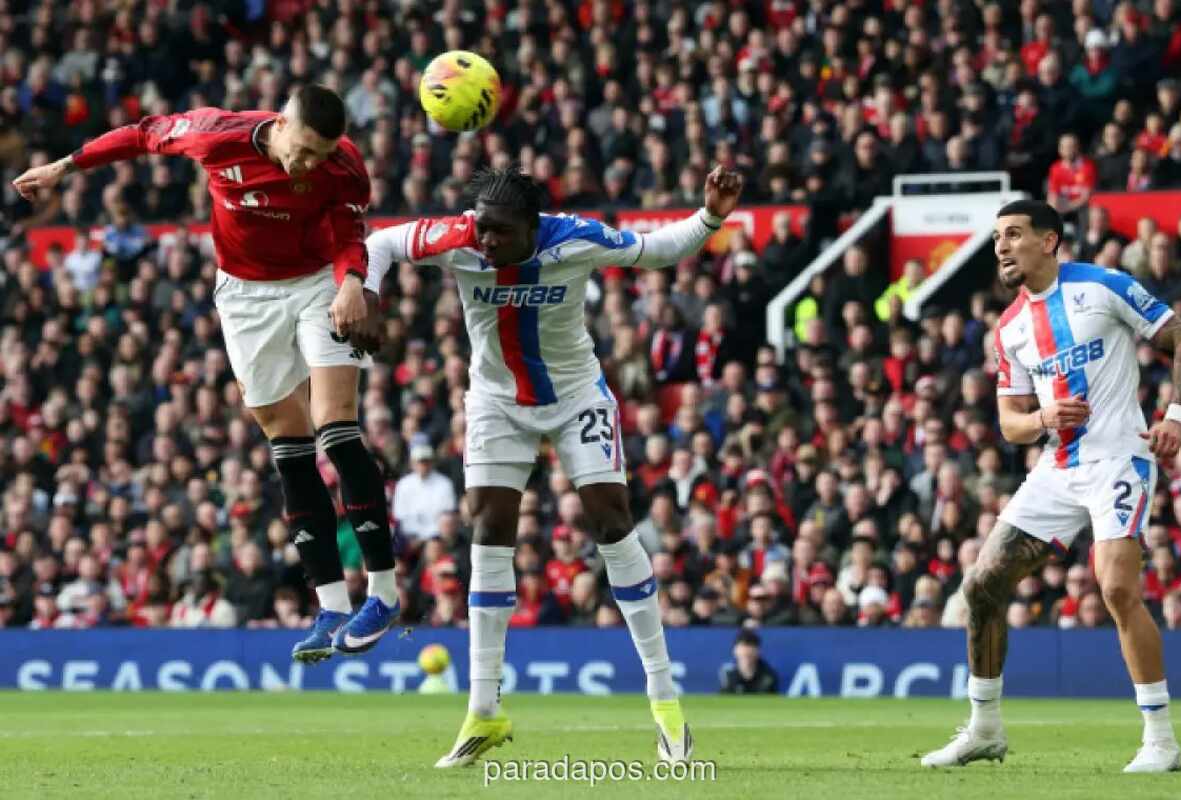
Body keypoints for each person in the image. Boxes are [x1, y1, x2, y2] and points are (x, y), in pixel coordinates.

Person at [363, 164, 744, 766]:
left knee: (612, 523)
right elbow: (380, 242)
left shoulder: (574, 237)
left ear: (532, 226)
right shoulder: (459, 238)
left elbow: (657, 250)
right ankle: (483, 711)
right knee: (488, 530)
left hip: (576, 398)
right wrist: (364, 292)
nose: (487, 241)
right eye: (482, 229)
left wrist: (711, 216)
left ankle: (665, 703)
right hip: (496, 402)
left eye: (500, 232)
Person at [11, 85, 399, 663]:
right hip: (245, 296)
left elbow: (348, 234)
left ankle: (384, 594)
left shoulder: (342, 165)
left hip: (319, 283)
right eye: (302, 150)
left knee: (336, 425)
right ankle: (332, 607)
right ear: (281, 123)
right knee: (289, 446)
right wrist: (66, 166)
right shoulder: (215, 135)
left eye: (320, 155)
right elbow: (141, 133)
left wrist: (351, 283)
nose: (307, 164)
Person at [921, 200, 1181, 773]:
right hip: (1057, 467)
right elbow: (1010, 424)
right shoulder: (1010, 328)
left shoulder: (1103, 286)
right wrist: (1043, 419)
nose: (1001, 246)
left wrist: (1175, 417)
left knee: (1116, 588)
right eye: (997, 238)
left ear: (1048, 241)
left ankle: (1161, 741)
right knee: (981, 586)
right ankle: (984, 729)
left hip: (1119, 458)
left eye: (1013, 234)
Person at [718, 628, 780, 694]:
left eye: (750, 647)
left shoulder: (768, 676)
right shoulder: (728, 674)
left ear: (758, 651)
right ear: (734, 650)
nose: (746, 651)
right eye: (742, 647)